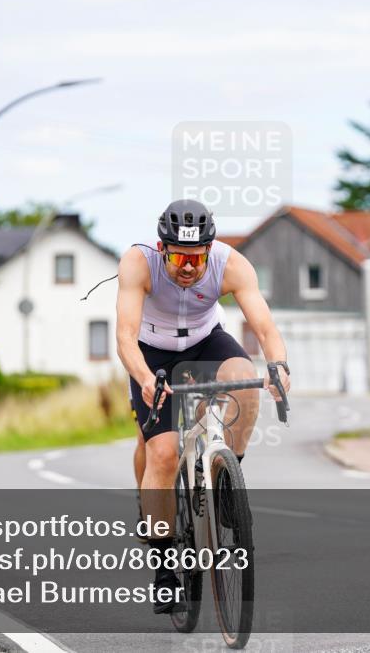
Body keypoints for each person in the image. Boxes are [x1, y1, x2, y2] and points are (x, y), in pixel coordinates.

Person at [116, 199, 290, 613]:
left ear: (209, 250)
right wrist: (144, 378)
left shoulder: (231, 264)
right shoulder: (138, 262)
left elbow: (264, 326)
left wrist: (279, 366)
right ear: (163, 249)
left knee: (245, 382)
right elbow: (124, 335)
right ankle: (163, 568)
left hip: (205, 341)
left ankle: (228, 479)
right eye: (180, 257)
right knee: (162, 451)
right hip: (152, 351)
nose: (190, 267)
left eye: (198, 257)